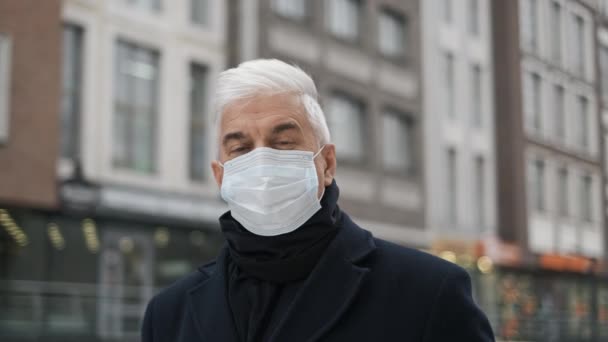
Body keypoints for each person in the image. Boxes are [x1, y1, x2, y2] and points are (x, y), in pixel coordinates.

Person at [141, 59, 495, 342]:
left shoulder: (428, 293)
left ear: (327, 163)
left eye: (283, 143)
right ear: (221, 176)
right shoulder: (169, 314)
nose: (262, 163)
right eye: (241, 148)